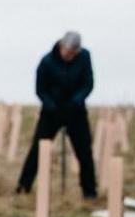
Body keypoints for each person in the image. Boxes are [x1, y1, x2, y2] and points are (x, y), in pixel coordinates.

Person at [16, 31, 97, 199]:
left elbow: (88, 83)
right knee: (37, 151)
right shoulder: (46, 62)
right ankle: (23, 187)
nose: (69, 56)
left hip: (76, 112)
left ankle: (89, 192)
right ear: (61, 46)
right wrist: (51, 105)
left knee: (85, 152)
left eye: (73, 53)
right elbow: (40, 89)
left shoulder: (84, 57)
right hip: (51, 112)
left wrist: (76, 100)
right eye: (67, 52)